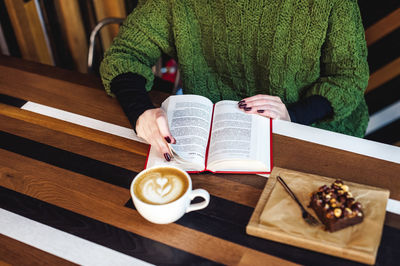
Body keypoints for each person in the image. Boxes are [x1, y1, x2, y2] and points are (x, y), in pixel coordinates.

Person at [100, 0, 369, 161]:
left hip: (313, 135)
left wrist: (294, 114)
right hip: (215, 145)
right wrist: (140, 113)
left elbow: (348, 76)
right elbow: (127, 53)